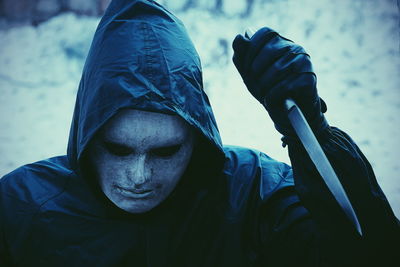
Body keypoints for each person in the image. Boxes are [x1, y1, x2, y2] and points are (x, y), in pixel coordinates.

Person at [0, 0, 398, 266]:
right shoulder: (19, 210)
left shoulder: (253, 193)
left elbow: (366, 251)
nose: (139, 177)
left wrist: (310, 133)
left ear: (198, 137)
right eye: (118, 149)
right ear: (88, 132)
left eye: (166, 151)